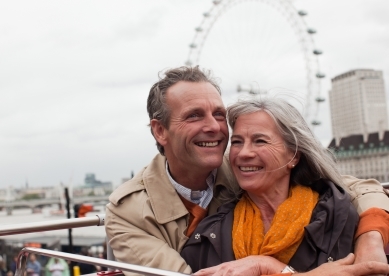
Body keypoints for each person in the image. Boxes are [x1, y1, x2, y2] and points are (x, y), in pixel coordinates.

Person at [105, 66, 389, 276]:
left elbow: (355, 188)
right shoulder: (127, 211)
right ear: (159, 130)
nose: (215, 127)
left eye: (218, 113)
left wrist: (371, 237)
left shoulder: (246, 167)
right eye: (194, 115)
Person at [181, 97, 375, 274]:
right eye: (237, 142)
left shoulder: (336, 216)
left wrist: (266, 266)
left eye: (260, 141)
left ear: (293, 156)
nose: (243, 153)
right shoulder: (208, 235)